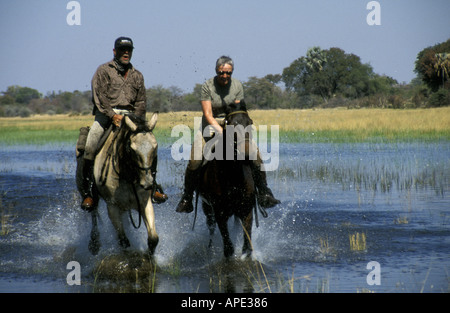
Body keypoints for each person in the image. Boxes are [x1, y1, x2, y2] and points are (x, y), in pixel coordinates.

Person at [176, 56, 280, 213]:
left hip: (233, 125)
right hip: (210, 127)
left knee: (255, 154)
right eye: (222, 72)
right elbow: (208, 114)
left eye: (228, 73)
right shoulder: (207, 86)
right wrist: (222, 132)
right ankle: (187, 197)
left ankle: (264, 192)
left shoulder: (237, 85)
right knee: (195, 160)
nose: (225, 76)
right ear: (216, 71)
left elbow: (239, 110)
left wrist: (235, 130)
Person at [79, 36, 166, 211]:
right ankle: (89, 193)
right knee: (90, 146)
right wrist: (112, 115)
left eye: (129, 50)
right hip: (105, 117)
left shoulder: (137, 75)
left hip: (131, 119)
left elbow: (141, 102)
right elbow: (100, 97)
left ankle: (153, 186)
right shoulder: (103, 70)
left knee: (149, 145)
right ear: (115, 51)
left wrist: (136, 120)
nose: (126, 53)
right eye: (122, 50)